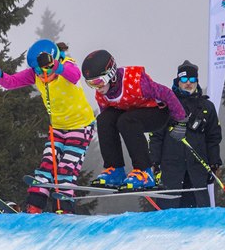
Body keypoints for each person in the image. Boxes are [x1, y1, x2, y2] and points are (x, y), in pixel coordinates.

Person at [0, 40, 96, 214]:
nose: (43, 77)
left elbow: (75, 75)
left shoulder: (66, 65)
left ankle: (64, 208)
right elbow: (10, 82)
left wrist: (55, 65)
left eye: (46, 72)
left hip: (81, 127)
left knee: (66, 168)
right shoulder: (36, 74)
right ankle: (35, 206)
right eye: (39, 73)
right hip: (57, 128)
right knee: (47, 165)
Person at [80, 49, 188, 190]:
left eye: (99, 82)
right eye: (91, 84)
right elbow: (109, 124)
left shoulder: (136, 81)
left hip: (156, 112)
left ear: (111, 75)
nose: (97, 88)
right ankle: (115, 170)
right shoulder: (102, 94)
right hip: (130, 114)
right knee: (103, 119)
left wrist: (180, 121)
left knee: (126, 120)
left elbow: (166, 93)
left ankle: (144, 172)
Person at [149, 60, 222, 208]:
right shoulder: (166, 105)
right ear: (178, 81)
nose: (188, 83)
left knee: (198, 212)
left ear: (197, 81)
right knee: (169, 211)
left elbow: (213, 137)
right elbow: (156, 136)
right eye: (184, 79)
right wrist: (153, 162)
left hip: (197, 169)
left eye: (192, 79)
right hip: (171, 169)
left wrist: (214, 163)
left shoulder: (207, 106)